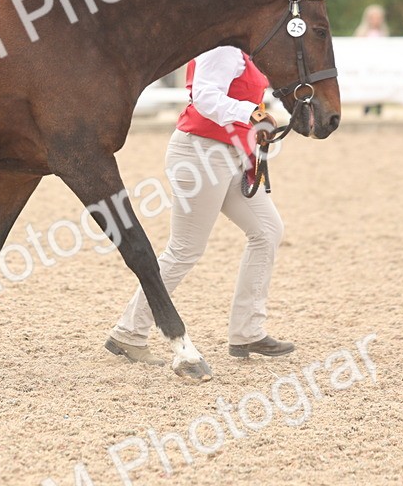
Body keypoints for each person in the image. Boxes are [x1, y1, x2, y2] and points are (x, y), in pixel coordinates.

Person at [104, 45, 293, 366]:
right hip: (200, 153)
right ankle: (129, 333)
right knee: (184, 250)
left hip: (232, 153)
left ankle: (248, 331)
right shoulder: (223, 48)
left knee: (267, 231)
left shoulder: (248, 51)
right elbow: (205, 97)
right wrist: (249, 113)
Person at [355, 4, 389, 116]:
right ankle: (367, 108)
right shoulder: (361, 33)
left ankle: (379, 107)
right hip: (366, 64)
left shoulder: (384, 33)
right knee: (366, 86)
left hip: (380, 65)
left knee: (380, 85)